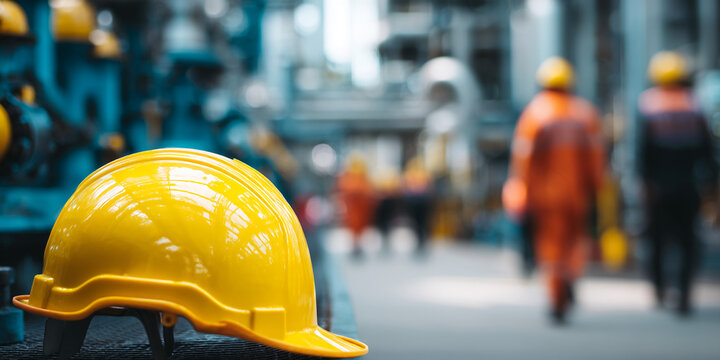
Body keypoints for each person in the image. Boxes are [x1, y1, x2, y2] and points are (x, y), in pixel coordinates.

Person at [504, 57, 606, 324]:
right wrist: (596, 188)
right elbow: (596, 159)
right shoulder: (585, 113)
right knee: (574, 243)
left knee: (550, 247)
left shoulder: (535, 114)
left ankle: (557, 295)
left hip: (546, 198)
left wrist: (521, 190)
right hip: (578, 196)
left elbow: (522, 161)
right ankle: (570, 279)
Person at [638, 51, 717, 316]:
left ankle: (660, 289)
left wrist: (645, 184)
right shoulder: (694, 105)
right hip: (688, 186)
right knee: (687, 240)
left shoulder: (649, 105)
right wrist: (710, 184)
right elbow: (707, 151)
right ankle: (684, 293)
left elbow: (643, 152)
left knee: (658, 239)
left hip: (659, 187)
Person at [335, 153, 377, 257]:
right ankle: (355, 246)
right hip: (354, 208)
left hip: (359, 207)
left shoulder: (360, 175)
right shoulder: (352, 175)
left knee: (359, 226)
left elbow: (368, 190)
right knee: (355, 226)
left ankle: (357, 245)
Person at [402, 156, 433, 255]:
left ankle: (421, 242)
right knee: (420, 223)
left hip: (416, 202)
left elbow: (405, 188)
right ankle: (421, 242)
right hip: (420, 201)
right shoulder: (423, 174)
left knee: (419, 223)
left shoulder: (412, 174)